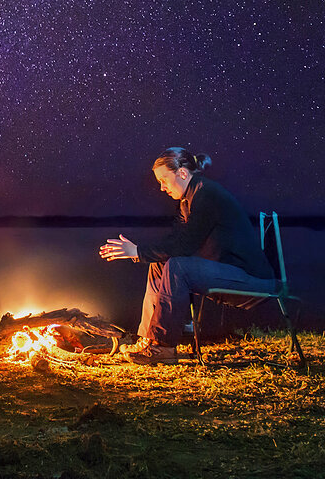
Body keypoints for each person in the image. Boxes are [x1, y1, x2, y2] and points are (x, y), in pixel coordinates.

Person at [99, 147, 276, 365]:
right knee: (160, 263)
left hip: (252, 280)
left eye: (164, 179)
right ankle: (148, 338)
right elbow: (176, 243)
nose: (162, 188)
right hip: (228, 270)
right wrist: (140, 251)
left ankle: (163, 346)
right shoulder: (190, 200)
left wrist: (137, 251)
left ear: (182, 173)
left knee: (178, 267)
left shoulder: (206, 195)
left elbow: (185, 245)